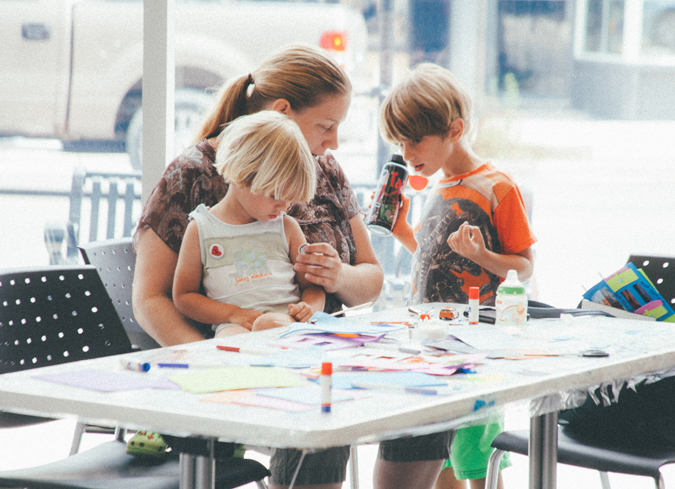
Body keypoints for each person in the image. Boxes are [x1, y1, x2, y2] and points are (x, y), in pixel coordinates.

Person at [132, 44, 383, 489]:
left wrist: (336, 278)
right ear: (282, 112)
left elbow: (371, 279)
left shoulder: (326, 169)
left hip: (311, 344)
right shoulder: (196, 173)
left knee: (425, 409)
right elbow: (151, 298)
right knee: (318, 407)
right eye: (326, 126)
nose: (334, 142)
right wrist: (216, 365)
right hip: (242, 356)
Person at [377, 62, 537, 489]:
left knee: (477, 461)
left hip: (473, 349)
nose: (407, 153)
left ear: (455, 129)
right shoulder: (437, 188)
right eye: (399, 141)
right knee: (442, 461)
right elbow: (438, 261)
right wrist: (405, 234)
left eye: (415, 140)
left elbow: (524, 266)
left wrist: (485, 255)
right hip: (430, 345)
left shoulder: (496, 186)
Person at [173, 111, 325, 337]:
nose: (283, 207)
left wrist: (309, 309)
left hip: (285, 321)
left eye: (289, 199)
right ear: (240, 175)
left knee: (268, 326)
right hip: (233, 325)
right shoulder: (201, 229)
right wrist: (233, 313)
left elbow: (312, 286)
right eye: (274, 195)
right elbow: (184, 297)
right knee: (229, 340)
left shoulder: (287, 228)